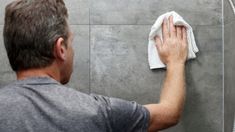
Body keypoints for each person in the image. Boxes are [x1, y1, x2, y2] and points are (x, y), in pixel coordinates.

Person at [0, 0, 188, 132]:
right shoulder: (97, 112)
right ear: (60, 49)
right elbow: (169, 113)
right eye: (70, 42)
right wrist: (176, 61)